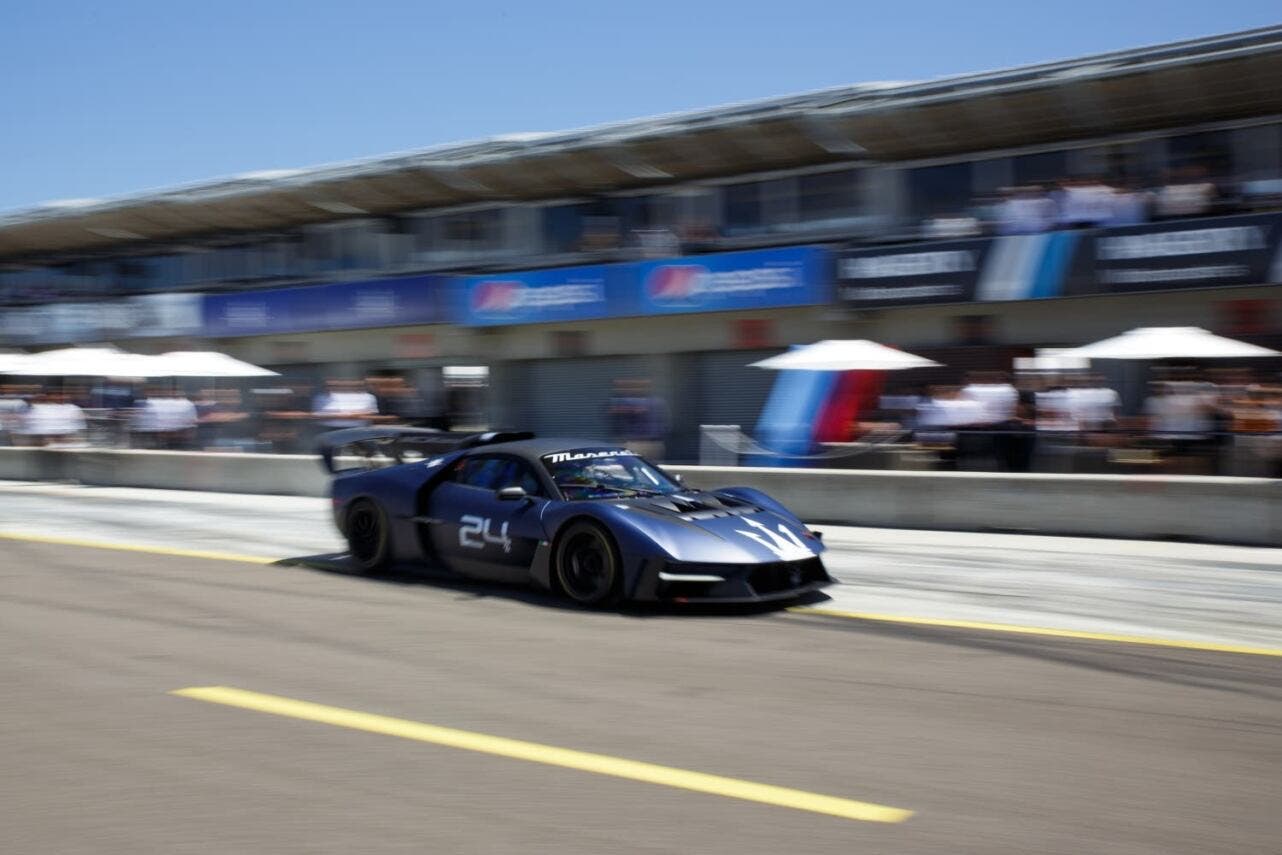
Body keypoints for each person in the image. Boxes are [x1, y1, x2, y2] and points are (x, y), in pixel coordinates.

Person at [17, 389, 87, 447]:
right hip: (43, 438)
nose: (60, 397)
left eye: (61, 395)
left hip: (61, 437)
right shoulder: (34, 407)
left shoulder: (71, 407)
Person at [311, 379, 380, 430]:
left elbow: (372, 412)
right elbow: (317, 414)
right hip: (329, 428)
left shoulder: (369, 396)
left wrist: (355, 414)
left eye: (358, 385)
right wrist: (341, 415)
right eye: (329, 385)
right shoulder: (320, 397)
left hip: (358, 428)